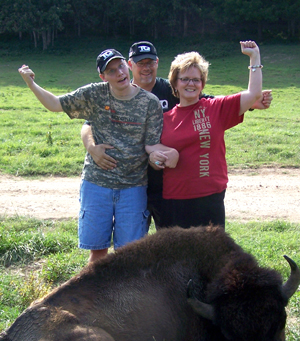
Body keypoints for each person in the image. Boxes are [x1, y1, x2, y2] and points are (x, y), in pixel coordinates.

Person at [81, 41, 272, 230]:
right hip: (134, 184)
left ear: (157, 63)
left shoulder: (176, 93)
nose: (146, 68)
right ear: (131, 65)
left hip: (174, 189)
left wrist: (252, 100)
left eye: (150, 63)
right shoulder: (119, 93)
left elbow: (209, 103)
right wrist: (92, 147)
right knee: (134, 242)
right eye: (141, 63)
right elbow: (91, 125)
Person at [18, 49, 178, 263]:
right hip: (96, 184)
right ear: (103, 77)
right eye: (111, 71)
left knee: (128, 255)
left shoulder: (150, 102)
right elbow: (55, 104)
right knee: (98, 252)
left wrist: (167, 153)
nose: (119, 73)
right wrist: (31, 84)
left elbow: (150, 144)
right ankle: (94, 296)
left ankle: (123, 297)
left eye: (120, 66)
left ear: (127, 66)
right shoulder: (94, 94)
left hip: (133, 186)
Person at [153, 40, 262, 229]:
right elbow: (148, 145)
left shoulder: (216, 108)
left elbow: (253, 94)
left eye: (196, 79)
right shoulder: (163, 119)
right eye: (185, 79)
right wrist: (157, 154)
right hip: (175, 199)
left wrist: (255, 58)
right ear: (175, 83)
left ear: (202, 84)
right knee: (177, 257)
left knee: (212, 256)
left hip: (210, 198)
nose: (191, 84)